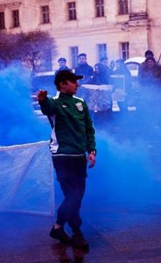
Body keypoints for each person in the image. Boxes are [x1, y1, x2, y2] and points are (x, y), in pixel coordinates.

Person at [37, 70, 96, 250]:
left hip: (79, 157)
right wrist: (42, 100)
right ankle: (77, 233)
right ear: (62, 84)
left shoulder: (81, 103)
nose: (77, 84)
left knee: (75, 196)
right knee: (73, 196)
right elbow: (47, 108)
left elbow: (88, 128)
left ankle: (58, 227)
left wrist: (92, 150)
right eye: (73, 81)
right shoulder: (54, 103)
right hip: (62, 157)